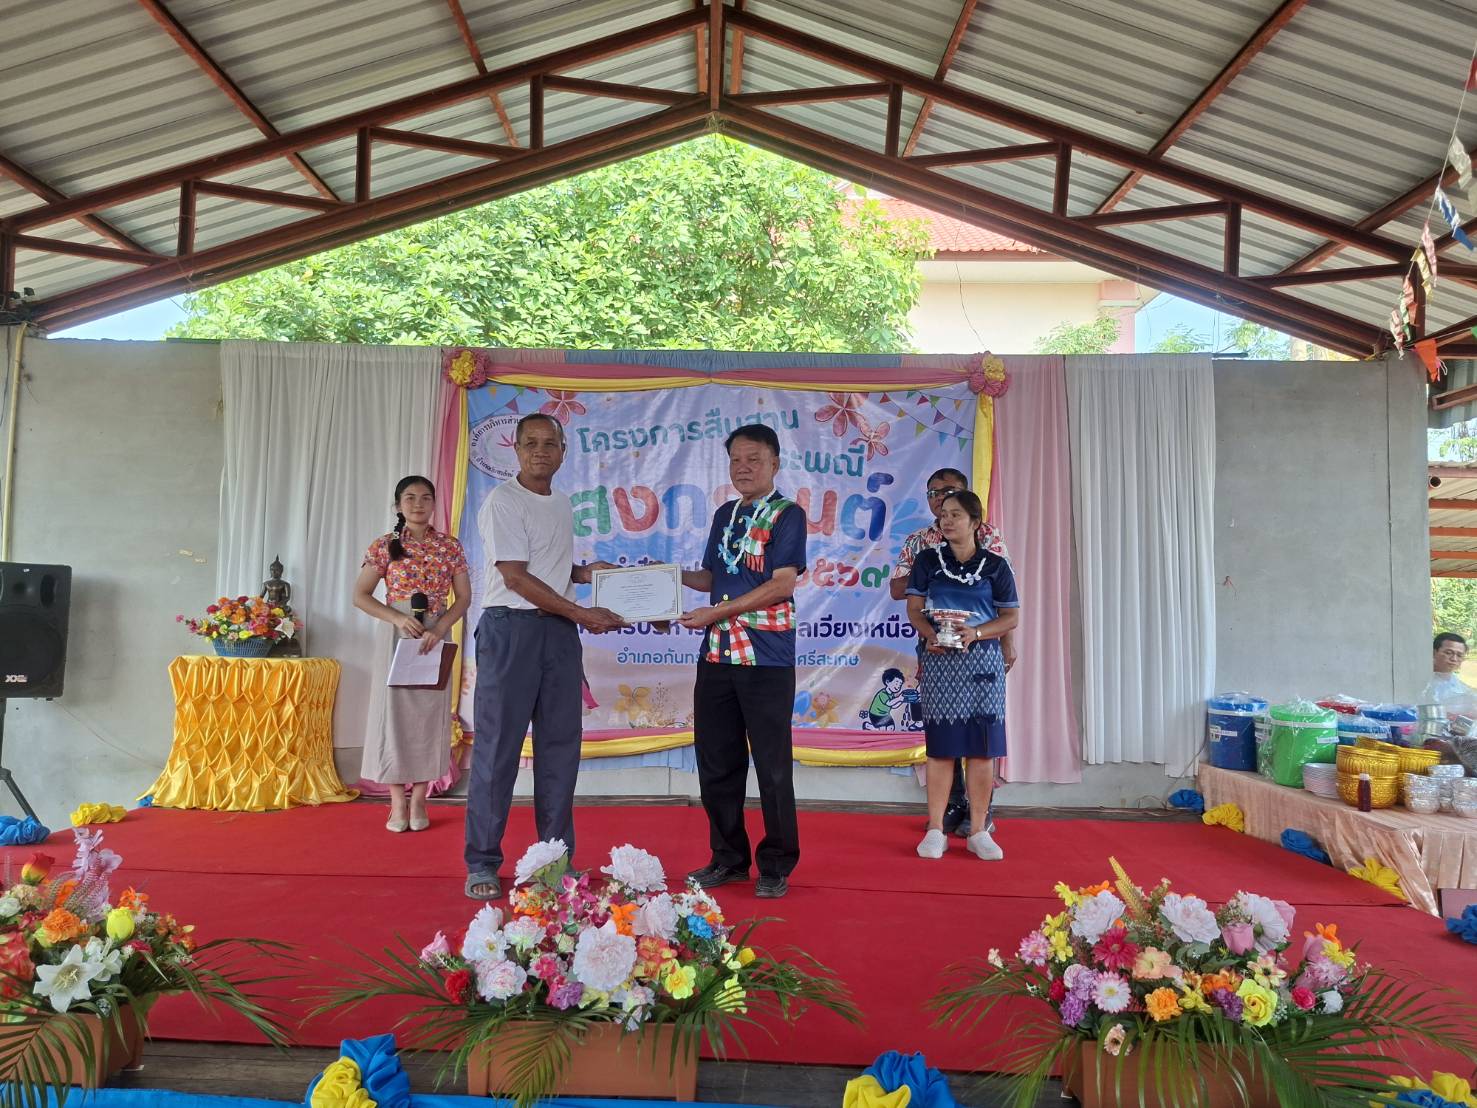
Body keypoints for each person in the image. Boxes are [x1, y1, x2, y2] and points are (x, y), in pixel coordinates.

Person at [464, 414, 624, 900]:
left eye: (549, 443)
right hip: (510, 631)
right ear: (515, 449)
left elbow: (545, 567)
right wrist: (581, 612)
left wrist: (584, 573)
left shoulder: (560, 502)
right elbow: (514, 577)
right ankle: (483, 862)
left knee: (559, 751)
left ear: (563, 451)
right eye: (530, 443)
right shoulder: (503, 500)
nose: (540, 451)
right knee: (498, 750)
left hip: (556, 634)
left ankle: (555, 862)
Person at [679, 424, 807, 899]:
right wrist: (660, 581)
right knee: (716, 763)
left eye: (754, 459)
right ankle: (728, 858)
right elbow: (711, 577)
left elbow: (782, 584)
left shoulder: (788, 515)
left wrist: (717, 612)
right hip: (716, 654)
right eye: (735, 460)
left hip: (767, 658)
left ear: (775, 463)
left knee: (772, 767)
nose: (743, 468)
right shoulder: (724, 514)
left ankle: (776, 863)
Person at [890, 467, 1015, 837]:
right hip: (936, 646)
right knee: (945, 730)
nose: (941, 502)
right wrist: (928, 570)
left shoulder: (990, 537)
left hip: (982, 645)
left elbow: (1004, 600)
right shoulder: (919, 543)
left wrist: (1006, 643)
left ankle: (980, 814)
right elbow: (899, 591)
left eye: (949, 494)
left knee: (981, 733)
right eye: (934, 494)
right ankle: (950, 807)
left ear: (971, 510)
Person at [354, 476, 471, 833]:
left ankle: (420, 799)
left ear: (434, 503)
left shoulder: (449, 546)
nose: (418, 504)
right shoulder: (384, 545)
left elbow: (463, 598)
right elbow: (360, 595)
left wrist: (440, 628)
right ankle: (396, 802)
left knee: (429, 716)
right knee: (392, 716)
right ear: (398, 505)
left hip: (434, 634)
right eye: (410, 498)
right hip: (397, 633)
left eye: (425, 498)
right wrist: (397, 618)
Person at [1428, 632, 1472, 707]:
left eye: (1459, 655)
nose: (1454, 659)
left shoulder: (1457, 684)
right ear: (1433, 653)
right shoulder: (1422, 682)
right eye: (1448, 653)